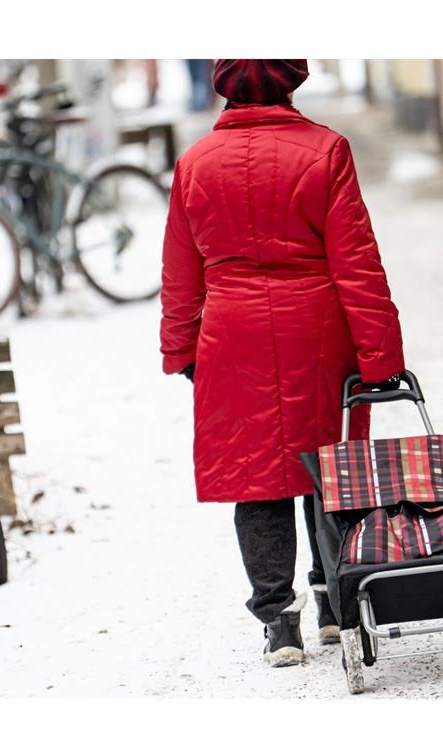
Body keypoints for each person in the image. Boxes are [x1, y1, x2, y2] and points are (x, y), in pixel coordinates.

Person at [159, 59, 405, 667]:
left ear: (223, 86)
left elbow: (181, 273)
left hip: (231, 334)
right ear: (292, 81)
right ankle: (332, 604)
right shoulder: (326, 152)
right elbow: (357, 262)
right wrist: (380, 354)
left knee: (254, 475)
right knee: (327, 469)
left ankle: (278, 622)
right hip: (316, 331)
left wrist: (180, 348)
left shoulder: (194, 165)